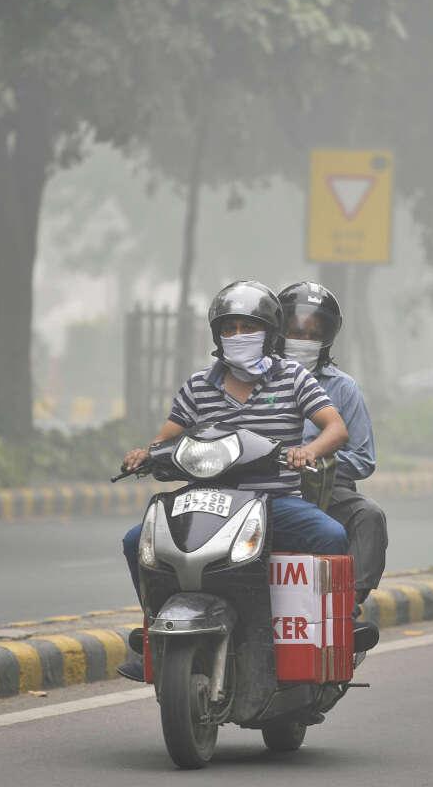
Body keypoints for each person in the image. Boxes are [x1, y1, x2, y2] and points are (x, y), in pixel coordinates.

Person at [116, 280, 350, 681]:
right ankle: (157, 637)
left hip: (275, 502)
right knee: (136, 541)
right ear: (217, 335)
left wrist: (308, 451)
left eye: (248, 327)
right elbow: (165, 439)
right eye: (230, 328)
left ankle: (331, 637)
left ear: (270, 333)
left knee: (331, 535)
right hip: (206, 502)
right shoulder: (198, 386)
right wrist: (145, 454)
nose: (238, 336)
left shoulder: (292, 377)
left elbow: (336, 428)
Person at [277, 281, 388, 606]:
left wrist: (318, 460)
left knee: (369, 516)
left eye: (313, 335)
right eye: (296, 333)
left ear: (327, 338)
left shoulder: (343, 388)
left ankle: (347, 604)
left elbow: (364, 459)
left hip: (325, 491)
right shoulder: (258, 378)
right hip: (266, 486)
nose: (303, 341)